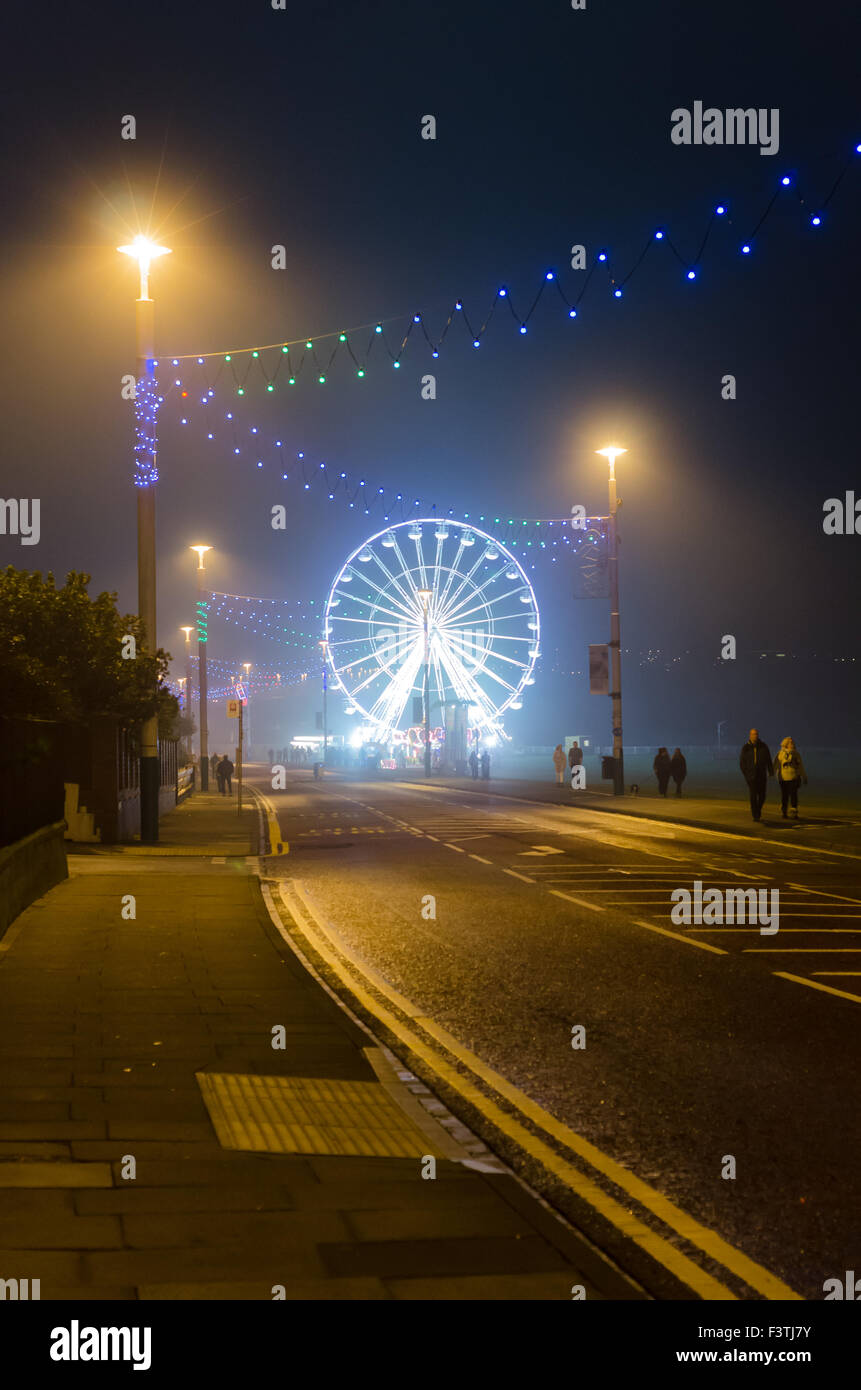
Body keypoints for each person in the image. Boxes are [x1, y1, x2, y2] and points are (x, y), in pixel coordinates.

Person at [739, 728, 773, 821]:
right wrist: (746, 774)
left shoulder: (763, 746)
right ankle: (755, 814)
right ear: (750, 735)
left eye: (756, 734)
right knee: (753, 795)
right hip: (751, 776)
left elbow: (768, 760)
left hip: (761, 775)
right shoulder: (745, 748)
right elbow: (742, 763)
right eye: (753, 734)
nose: (755, 736)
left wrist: (771, 771)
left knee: (762, 795)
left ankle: (758, 809)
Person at [774, 736, 807, 819]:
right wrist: (771, 773)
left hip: (793, 777)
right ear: (786, 744)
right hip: (783, 778)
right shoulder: (780, 753)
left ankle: (794, 812)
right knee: (784, 795)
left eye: (792, 742)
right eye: (790, 743)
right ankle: (784, 811)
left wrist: (804, 776)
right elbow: (776, 764)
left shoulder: (796, 754)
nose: (792, 744)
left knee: (794, 794)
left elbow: (800, 766)